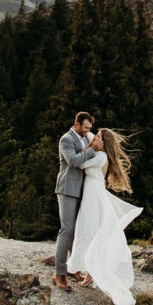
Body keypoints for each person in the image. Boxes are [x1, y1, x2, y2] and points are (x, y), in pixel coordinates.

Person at [66, 127, 142, 305]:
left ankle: (89, 273)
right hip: (93, 192)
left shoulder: (99, 157)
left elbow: (81, 164)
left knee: (89, 230)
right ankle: (87, 272)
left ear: (104, 141)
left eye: (99, 137)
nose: (95, 139)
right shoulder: (101, 155)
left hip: (93, 194)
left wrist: (87, 148)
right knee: (88, 229)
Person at [53, 111, 103, 291]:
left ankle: (73, 267)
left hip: (81, 190)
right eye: (86, 127)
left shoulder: (83, 138)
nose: (88, 130)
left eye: (90, 128)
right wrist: (92, 149)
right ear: (77, 124)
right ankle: (59, 274)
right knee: (66, 230)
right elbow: (73, 161)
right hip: (67, 189)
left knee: (77, 231)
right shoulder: (66, 139)